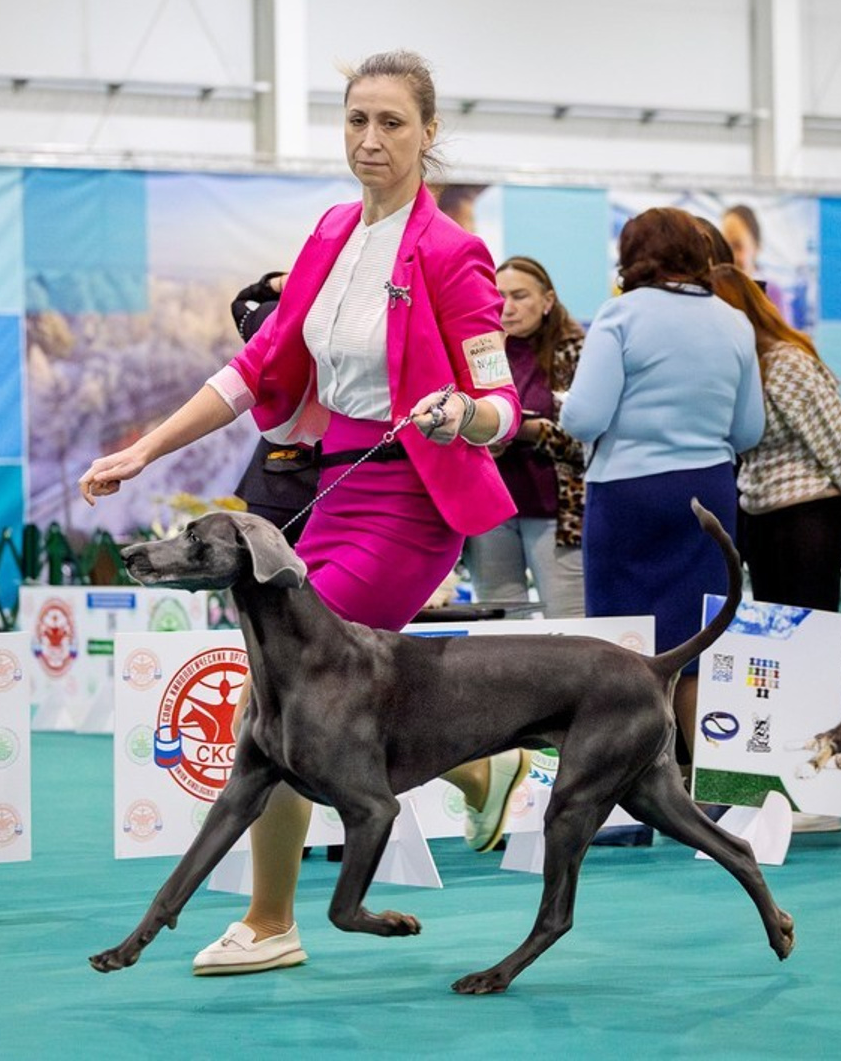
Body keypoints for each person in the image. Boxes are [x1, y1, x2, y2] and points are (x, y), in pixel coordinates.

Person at [79, 49, 528, 976]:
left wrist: (464, 413)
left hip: (411, 502)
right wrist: (144, 450)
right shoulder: (328, 232)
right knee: (290, 698)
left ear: (428, 134)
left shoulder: (454, 254)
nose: (371, 139)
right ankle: (486, 765)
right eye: (358, 120)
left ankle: (271, 921)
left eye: (393, 123)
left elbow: (501, 406)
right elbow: (258, 369)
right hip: (334, 488)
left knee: (287, 698)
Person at [559, 208, 765, 761]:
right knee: (697, 643)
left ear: (631, 257)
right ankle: (715, 790)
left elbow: (582, 418)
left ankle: (625, 799)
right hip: (709, 493)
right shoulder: (734, 322)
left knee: (619, 648)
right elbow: (750, 430)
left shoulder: (620, 315)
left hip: (627, 494)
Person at [710, 264, 841, 612]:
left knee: (805, 647)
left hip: (805, 520)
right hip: (764, 521)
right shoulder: (743, 368)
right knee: (785, 652)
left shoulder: (785, 362)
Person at [465, 256, 586, 618]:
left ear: (548, 301)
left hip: (557, 512)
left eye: (520, 295)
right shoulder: (481, 350)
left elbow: (586, 443)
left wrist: (528, 431)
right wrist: (482, 435)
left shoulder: (576, 352)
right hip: (491, 506)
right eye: (499, 296)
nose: (508, 307)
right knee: (499, 624)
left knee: (570, 626)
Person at [229, 271, 319, 544]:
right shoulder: (358, 331)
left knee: (266, 577)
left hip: (272, 484)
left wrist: (278, 283)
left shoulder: (271, 317)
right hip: (337, 482)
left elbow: (242, 302)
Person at [720, 204, 788, 320]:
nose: (729, 255)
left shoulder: (771, 292)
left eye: (737, 246)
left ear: (756, 247)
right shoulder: (716, 291)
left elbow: (783, 337)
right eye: (724, 245)